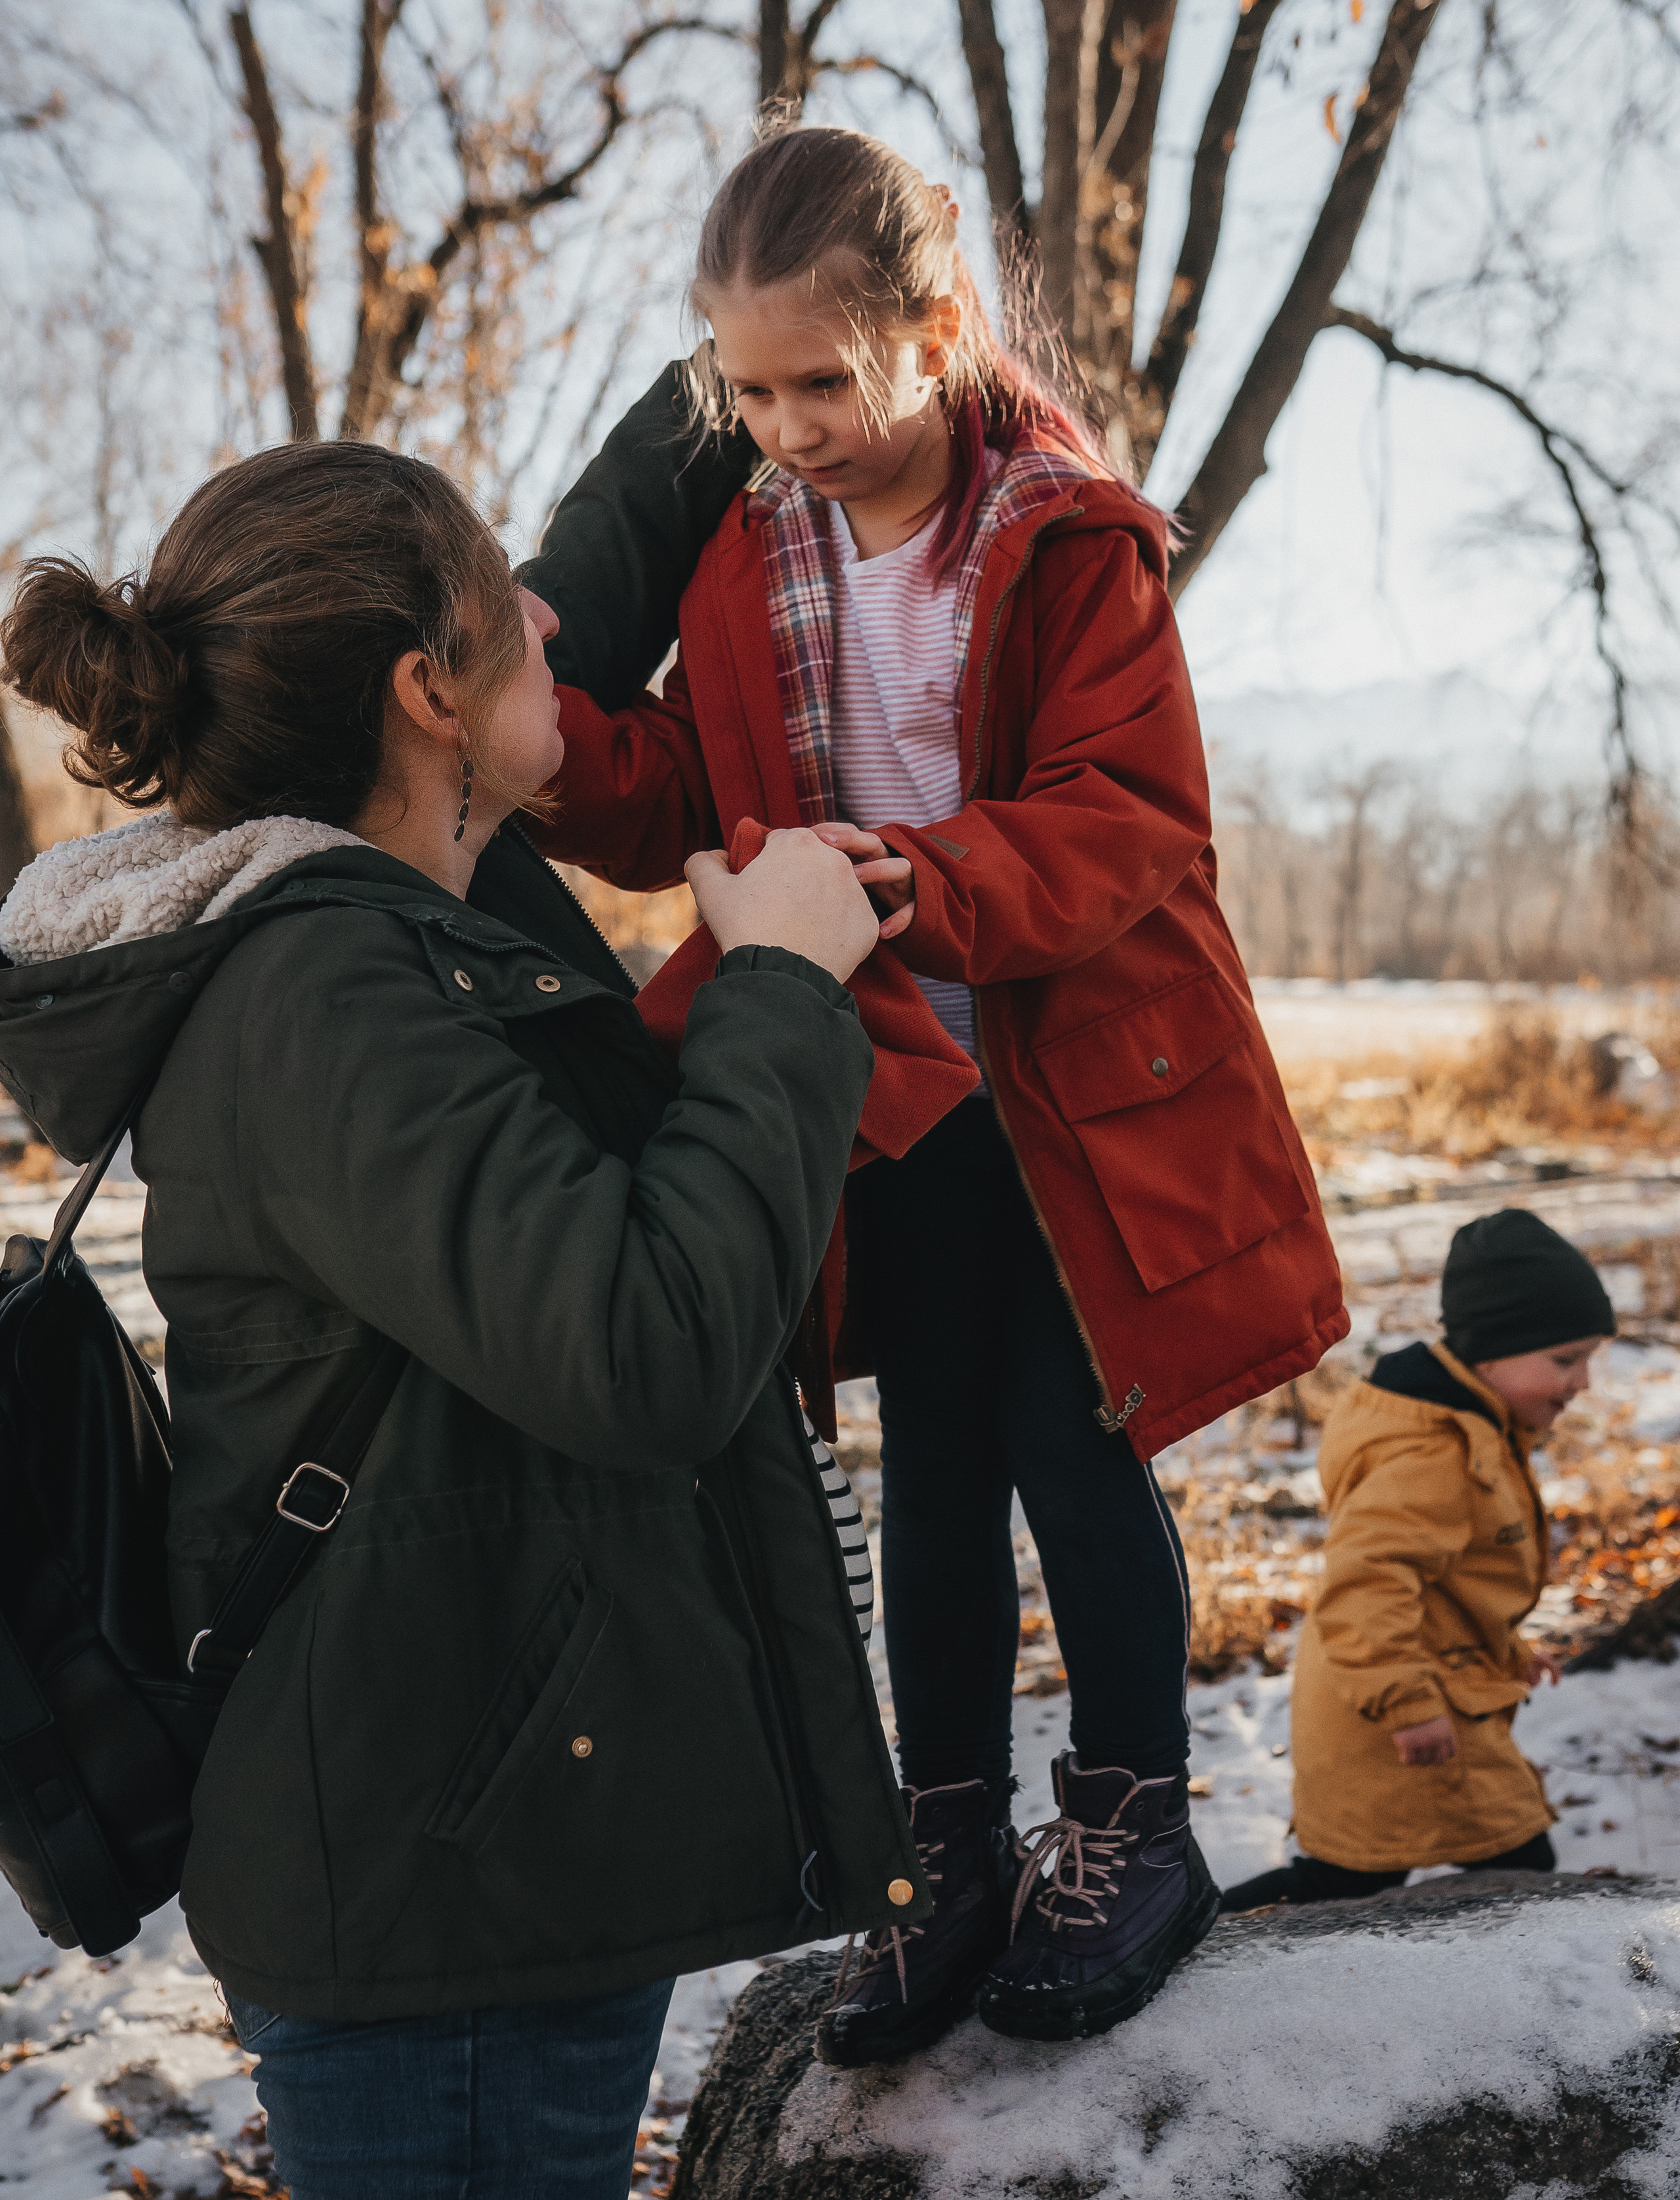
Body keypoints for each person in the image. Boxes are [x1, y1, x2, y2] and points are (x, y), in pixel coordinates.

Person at [0, 436, 924, 2200]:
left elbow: (561, 592)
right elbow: (639, 1336)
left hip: (470, 1809)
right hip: (448, 1862)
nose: (551, 640)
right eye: (505, 622)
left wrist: (718, 399)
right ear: (428, 689)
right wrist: (780, 982)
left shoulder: (385, 899)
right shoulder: (328, 982)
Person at [520, 123, 1347, 2060]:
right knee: (936, 1468)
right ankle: (947, 1840)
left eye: (824, 379)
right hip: (871, 1078)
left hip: (1067, 1076)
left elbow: (1125, 816)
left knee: (1072, 1441)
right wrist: (532, 724)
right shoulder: (743, 550)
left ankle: (1138, 1818)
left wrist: (917, 878)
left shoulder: (1062, 538)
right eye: (748, 390)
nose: (788, 424)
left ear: (936, 330)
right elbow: (683, 802)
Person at [1222, 1210, 1616, 1913]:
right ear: (1492, 1352)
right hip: (1396, 1713)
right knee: (1513, 1871)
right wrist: (1405, 1704)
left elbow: (1445, 1579)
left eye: (1589, 1357)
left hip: (1407, 1689)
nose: (1583, 1381)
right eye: (1564, 1359)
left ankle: (1203, 1928)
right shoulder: (1431, 1450)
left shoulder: (1467, 1420)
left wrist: (1504, 1647)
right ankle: (1203, 1928)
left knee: (1352, 1881)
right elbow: (1366, 1585)